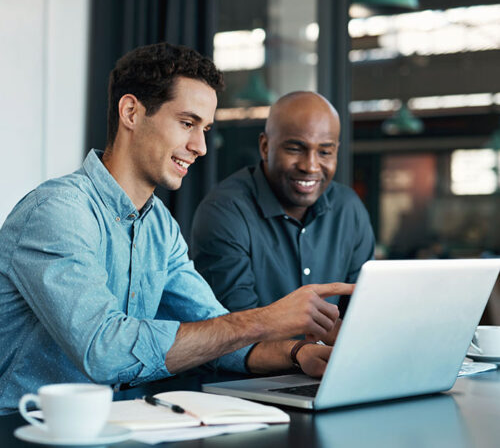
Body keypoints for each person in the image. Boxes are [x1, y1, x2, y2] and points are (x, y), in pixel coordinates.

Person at [0, 43, 352, 414]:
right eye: (187, 123)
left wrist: (299, 353)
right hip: (25, 428)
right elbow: (104, 350)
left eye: (205, 128)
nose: (200, 146)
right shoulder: (58, 212)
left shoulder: (160, 227)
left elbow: (214, 330)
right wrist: (266, 320)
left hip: (119, 423)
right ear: (131, 112)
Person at [191, 91, 375, 312]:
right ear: (265, 147)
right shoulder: (224, 211)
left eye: (325, 152)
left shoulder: (348, 208)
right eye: (295, 149)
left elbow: (361, 311)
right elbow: (236, 330)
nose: (311, 166)